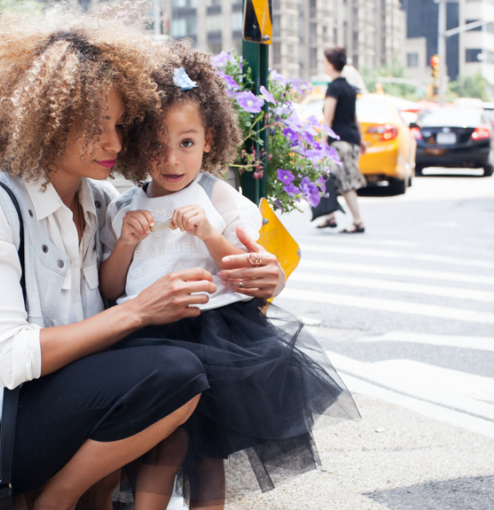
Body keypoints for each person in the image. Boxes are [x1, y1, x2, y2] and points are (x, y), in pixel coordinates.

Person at [0, 5, 286, 510]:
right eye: (98, 126)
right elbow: (11, 360)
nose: (115, 143)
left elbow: (221, 256)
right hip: (4, 426)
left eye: (120, 125)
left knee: (184, 370)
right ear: (46, 120)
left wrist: (269, 279)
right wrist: (139, 311)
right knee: (175, 371)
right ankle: (54, 500)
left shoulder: (99, 203)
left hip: (78, 400)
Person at [101, 46, 360, 509]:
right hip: (146, 339)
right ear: (138, 145)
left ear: (209, 139)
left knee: (208, 454)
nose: (171, 159)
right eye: (156, 145)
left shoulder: (221, 200)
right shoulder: (125, 208)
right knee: (161, 446)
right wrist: (124, 244)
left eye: (186, 143)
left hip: (216, 336)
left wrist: (210, 233)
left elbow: (245, 273)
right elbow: (112, 289)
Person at [318, 47, 368, 233]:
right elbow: (355, 117)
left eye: (324, 62)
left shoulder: (334, 87)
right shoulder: (348, 87)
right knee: (327, 177)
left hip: (340, 143)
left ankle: (358, 221)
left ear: (331, 64)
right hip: (352, 140)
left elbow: (328, 118)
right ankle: (329, 217)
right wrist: (361, 141)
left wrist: (323, 142)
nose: (323, 65)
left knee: (345, 181)